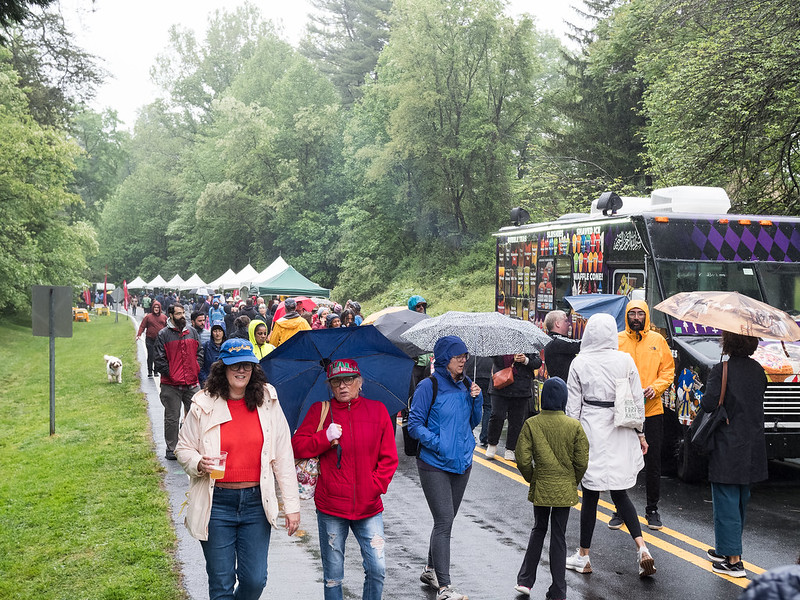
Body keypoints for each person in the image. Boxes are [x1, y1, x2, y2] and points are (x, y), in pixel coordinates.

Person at [176, 339, 300, 600]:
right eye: (234, 366)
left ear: (254, 368)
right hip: (216, 502)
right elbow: (183, 448)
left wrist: (291, 506)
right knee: (221, 583)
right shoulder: (203, 403)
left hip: (256, 502)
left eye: (246, 365)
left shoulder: (268, 400)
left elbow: (283, 455)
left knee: (255, 580)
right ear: (222, 369)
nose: (240, 371)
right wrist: (198, 462)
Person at [292, 359, 398, 600]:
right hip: (331, 507)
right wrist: (324, 437)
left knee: (377, 568)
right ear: (330, 385)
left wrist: (375, 486)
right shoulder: (320, 411)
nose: (342, 386)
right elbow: (297, 447)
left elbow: (389, 457)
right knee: (333, 576)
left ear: (360, 382)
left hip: (369, 507)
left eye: (348, 379)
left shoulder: (378, 410)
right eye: (336, 381)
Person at [565, 313, 655, 577]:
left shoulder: (579, 362)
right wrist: (640, 433)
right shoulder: (625, 359)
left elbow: (573, 407)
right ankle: (642, 548)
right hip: (621, 428)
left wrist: (571, 441)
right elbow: (637, 400)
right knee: (620, 492)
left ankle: (584, 555)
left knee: (590, 495)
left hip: (592, 428)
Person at [408, 336, 483, 600]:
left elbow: (474, 422)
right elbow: (414, 424)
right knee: (443, 522)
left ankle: (430, 570)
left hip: (462, 463)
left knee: (446, 521)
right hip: (434, 464)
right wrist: (439, 444)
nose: (463, 360)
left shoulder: (467, 386)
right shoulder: (429, 386)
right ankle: (444, 587)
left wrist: (477, 399)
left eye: (465, 356)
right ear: (443, 359)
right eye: (457, 356)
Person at [514, 377, 589, 599]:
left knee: (539, 529)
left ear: (543, 397)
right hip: (565, 487)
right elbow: (582, 461)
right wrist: (571, 480)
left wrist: (532, 478)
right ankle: (558, 589)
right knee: (559, 536)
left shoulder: (532, 424)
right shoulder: (574, 426)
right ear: (564, 399)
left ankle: (525, 581)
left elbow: (522, 458)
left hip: (542, 485)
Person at [702, 331, 767, 578]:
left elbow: (709, 404)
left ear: (727, 343)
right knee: (740, 498)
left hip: (728, 443)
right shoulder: (758, 370)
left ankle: (733, 561)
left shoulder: (722, 370)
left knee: (725, 499)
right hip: (752, 444)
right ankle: (725, 549)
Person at [614, 300, 674, 530]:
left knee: (653, 461)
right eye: (632, 313)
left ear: (647, 315)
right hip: (625, 408)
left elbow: (668, 371)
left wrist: (656, 387)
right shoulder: (618, 340)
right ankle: (620, 508)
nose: (636, 317)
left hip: (652, 410)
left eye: (640, 313)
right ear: (627, 316)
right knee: (622, 459)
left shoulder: (658, 341)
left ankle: (652, 509)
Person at [154, 304, 203, 461]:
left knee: (198, 414)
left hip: (192, 382)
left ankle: (195, 444)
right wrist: (172, 373)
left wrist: (196, 368)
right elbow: (159, 359)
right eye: (178, 313)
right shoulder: (163, 335)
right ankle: (172, 448)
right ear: (170, 315)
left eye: (183, 313)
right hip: (171, 384)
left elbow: (199, 352)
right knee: (172, 417)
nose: (182, 316)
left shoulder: (192, 332)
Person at [485, 351, 542, 461]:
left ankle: (511, 448)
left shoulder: (528, 344)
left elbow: (537, 362)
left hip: (521, 387)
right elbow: (495, 358)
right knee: (497, 415)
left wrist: (525, 360)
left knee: (516, 420)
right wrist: (511, 359)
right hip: (501, 383)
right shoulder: (501, 342)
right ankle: (492, 444)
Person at [542, 310, 581, 381]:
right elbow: (579, 345)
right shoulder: (556, 341)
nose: (569, 324)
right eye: (566, 321)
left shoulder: (552, 340)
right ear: (557, 324)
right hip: (565, 387)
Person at [136, 300, 167, 377]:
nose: (156, 309)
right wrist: (139, 334)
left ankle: (156, 371)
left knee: (158, 356)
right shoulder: (148, 317)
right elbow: (142, 326)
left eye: (158, 307)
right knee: (151, 355)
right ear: (152, 308)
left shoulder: (164, 317)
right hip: (150, 339)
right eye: (155, 307)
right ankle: (150, 371)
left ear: (160, 308)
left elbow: (167, 327)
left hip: (160, 340)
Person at [199, 321, 226, 387]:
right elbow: (200, 365)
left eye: (220, 331)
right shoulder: (205, 346)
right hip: (208, 381)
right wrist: (205, 379)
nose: (217, 334)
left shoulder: (227, 346)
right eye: (215, 331)